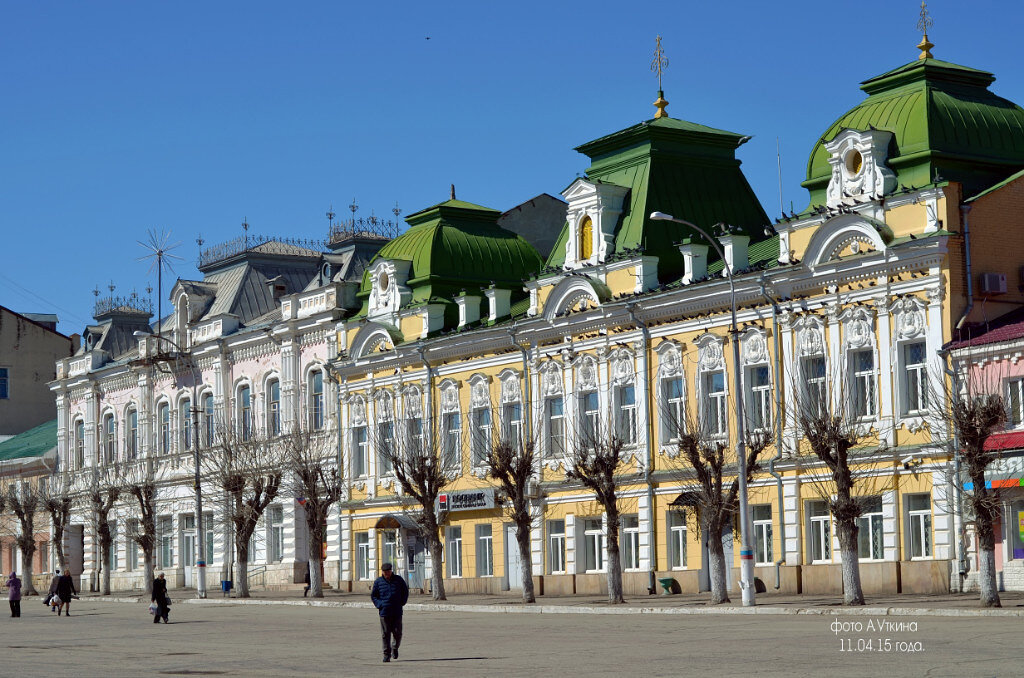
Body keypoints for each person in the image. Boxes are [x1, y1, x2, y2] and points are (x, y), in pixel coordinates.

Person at [370, 562, 409, 663]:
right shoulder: (378, 582)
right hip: (384, 612)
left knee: (398, 633)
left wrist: (402, 602)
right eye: (384, 572)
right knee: (385, 634)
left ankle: (395, 648)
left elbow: (405, 591)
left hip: (396, 611)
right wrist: (379, 604)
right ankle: (386, 654)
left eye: (388, 571)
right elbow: (374, 596)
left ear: (391, 571)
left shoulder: (398, 580)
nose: (386, 573)